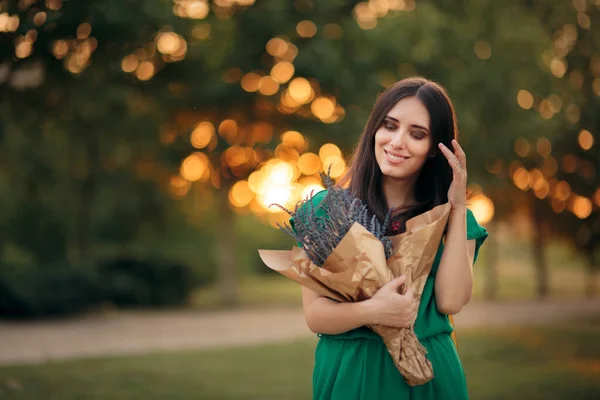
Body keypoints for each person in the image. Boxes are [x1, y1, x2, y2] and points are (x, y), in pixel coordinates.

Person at [291, 77, 489, 399]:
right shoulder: (324, 213)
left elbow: (451, 301)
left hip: (431, 375)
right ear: (374, 130)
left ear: (436, 149)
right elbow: (316, 317)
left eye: (417, 134)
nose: (397, 142)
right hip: (351, 372)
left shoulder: (455, 217)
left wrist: (456, 206)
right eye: (390, 125)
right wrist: (374, 312)